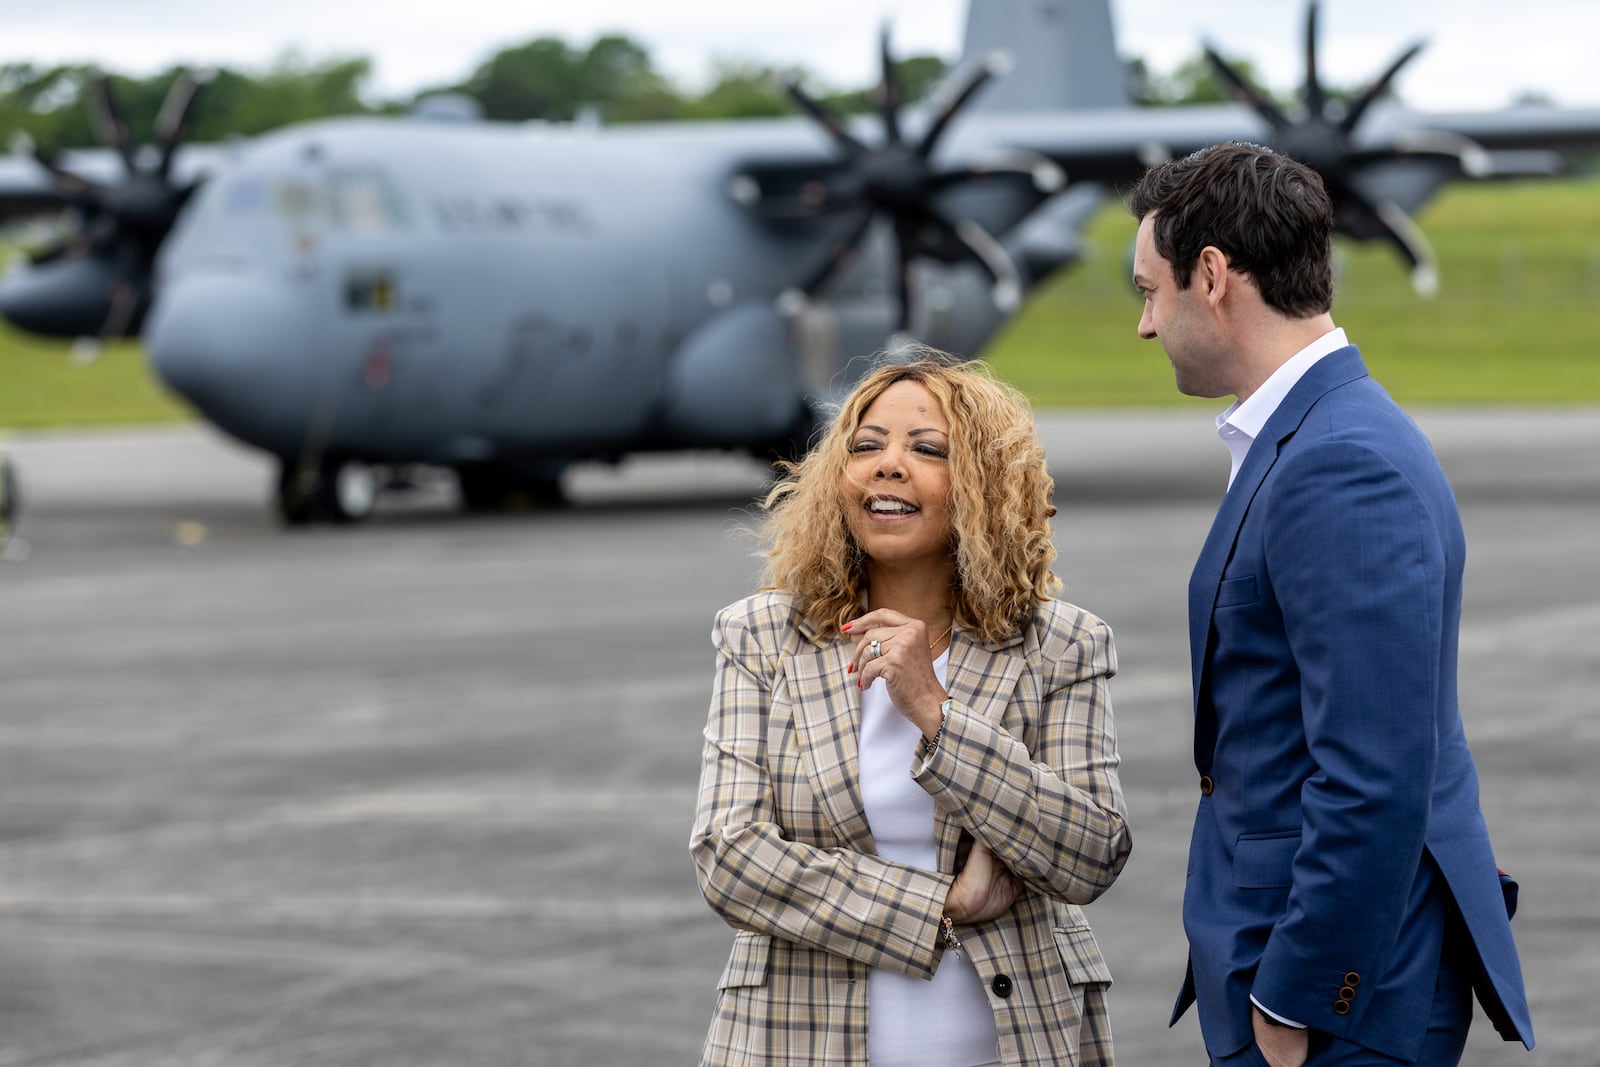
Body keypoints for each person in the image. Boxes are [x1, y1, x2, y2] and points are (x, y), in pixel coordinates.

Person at [1128, 141, 1533, 1067]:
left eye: (1149, 289)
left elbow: (1376, 769)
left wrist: (1300, 991)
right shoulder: (1318, 433)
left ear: (1215, 275)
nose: (1145, 325)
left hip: (1339, 1006)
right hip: (1315, 982)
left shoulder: (1340, 463)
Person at [689, 355, 1133, 1067]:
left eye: (927, 449)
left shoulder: (1063, 645)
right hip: (792, 1040)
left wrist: (936, 711)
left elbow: (1090, 853)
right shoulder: (761, 636)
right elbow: (729, 852)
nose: (888, 465)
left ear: (985, 485)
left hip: (1013, 1040)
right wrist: (941, 906)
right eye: (865, 446)